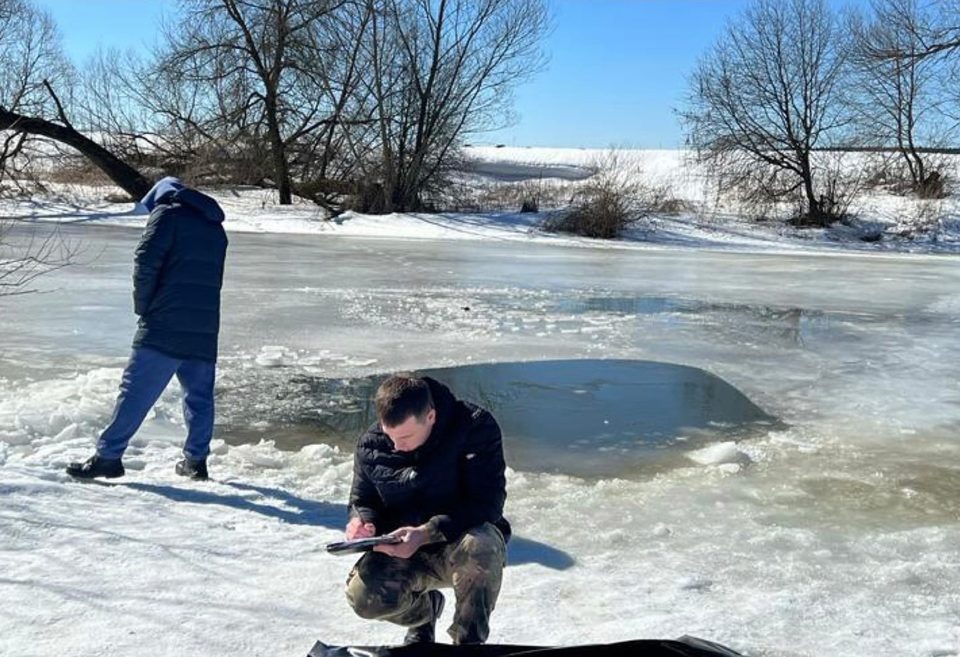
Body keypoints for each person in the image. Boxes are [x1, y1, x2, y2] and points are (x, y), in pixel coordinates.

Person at [66, 176, 228, 481]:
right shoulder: (214, 225)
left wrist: (144, 307)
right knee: (199, 395)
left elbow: (145, 261)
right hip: (205, 324)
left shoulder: (167, 214)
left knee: (136, 388)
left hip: (165, 320)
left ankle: (109, 457)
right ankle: (196, 461)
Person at [344, 373, 510, 646]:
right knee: (364, 598)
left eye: (406, 436)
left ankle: (468, 643)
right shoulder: (371, 444)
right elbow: (363, 500)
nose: (397, 446)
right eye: (390, 436)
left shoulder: (474, 427)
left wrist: (426, 533)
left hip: (457, 542)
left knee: (483, 546)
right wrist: (362, 522)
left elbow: (487, 503)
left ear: (430, 416)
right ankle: (424, 616)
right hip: (402, 550)